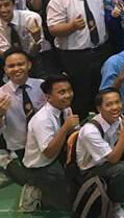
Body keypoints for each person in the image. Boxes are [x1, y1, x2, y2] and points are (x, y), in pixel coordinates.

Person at [46, 0, 112, 116]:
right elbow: (53, 29)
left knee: (102, 92)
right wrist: (71, 26)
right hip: (75, 57)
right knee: (80, 96)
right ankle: (80, 131)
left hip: (102, 51)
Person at [76, 89, 124, 218]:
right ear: (99, 108)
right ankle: (115, 208)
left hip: (108, 161)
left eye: (117, 102)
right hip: (90, 170)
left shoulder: (118, 118)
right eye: (109, 104)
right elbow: (113, 159)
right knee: (121, 169)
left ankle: (117, 187)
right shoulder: (90, 131)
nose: (115, 107)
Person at [21, 74, 78, 211]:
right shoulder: (42, 120)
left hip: (59, 157)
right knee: (65, 207)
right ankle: (36, 192)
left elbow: (75, 133)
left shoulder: (66, 109)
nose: (68, 95)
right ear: (48, 97)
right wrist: (65, 128)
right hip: (41, 167)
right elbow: (48, 153)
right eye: (61, 92)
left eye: (69, 90)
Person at [0, 48, 45, 187]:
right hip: (20, 145)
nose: (17, 69)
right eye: (11, 66)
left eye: (20, 64)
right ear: (5, 70)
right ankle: (7, 164)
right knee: (30, 181)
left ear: (29, 65)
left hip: (45, 141)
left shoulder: (43, 86)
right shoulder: (1, 94)